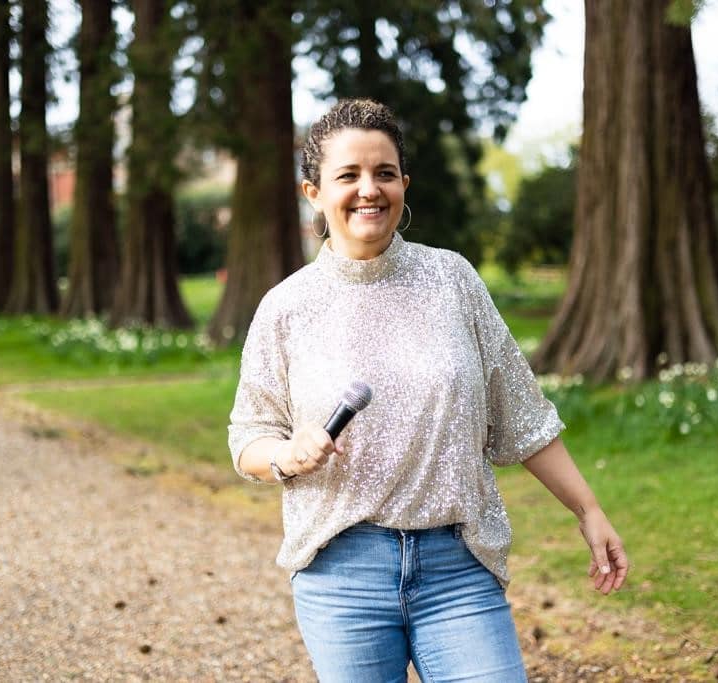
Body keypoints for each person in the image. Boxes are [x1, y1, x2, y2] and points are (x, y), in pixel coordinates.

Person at [228, 98, 628, 681]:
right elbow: (248, 439)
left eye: (384, 173)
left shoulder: (451, 280)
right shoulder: (286, 307)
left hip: (458, 566)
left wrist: (588, 510)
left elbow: (521, 415)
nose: (369, 189)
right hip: (342, 573)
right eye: (349, 175)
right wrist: (287, 456)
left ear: (404, 185)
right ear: (313, 192)